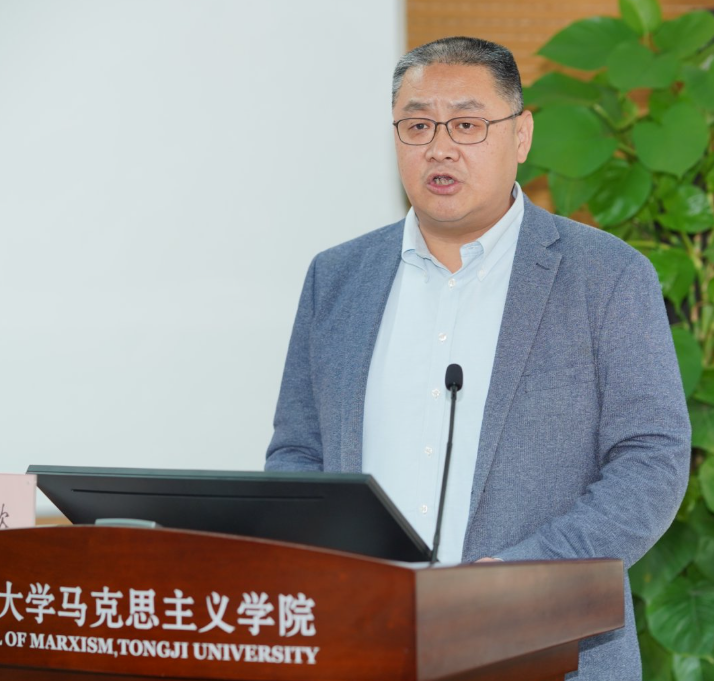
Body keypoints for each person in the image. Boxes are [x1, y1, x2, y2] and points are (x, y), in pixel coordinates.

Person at [265, 36, 690, 680]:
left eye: (467, 125)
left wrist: (519, 577)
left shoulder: (606, 276)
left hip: (546, 648)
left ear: (520, 136)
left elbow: (652, 461)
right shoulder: (338, 278)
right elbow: (298, 452)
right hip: (363, 642)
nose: (439, 147)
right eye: (417, 126)